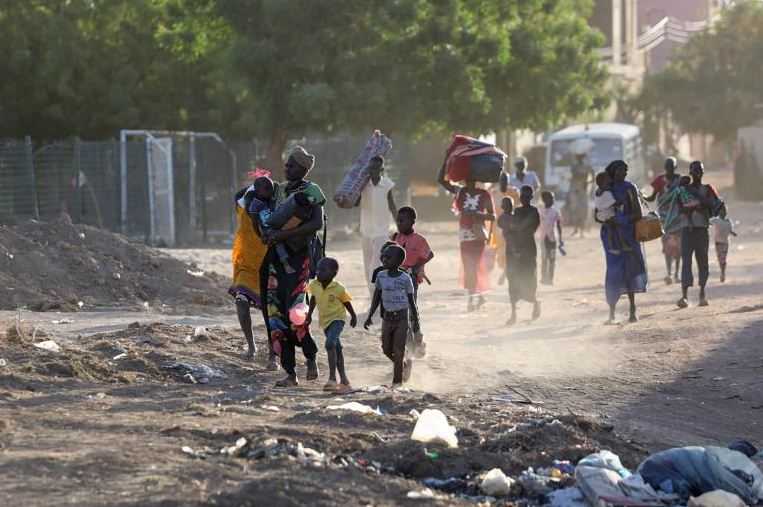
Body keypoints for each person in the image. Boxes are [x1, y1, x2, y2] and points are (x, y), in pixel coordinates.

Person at [263, 146, 326, 387]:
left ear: (303, 168)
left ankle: (310, 358)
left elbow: (316, 223)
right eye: (287, 165)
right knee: (275, 313)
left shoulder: (312, 191)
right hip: (276, 259)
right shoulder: (279, 190)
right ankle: (290, 373)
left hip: (299, 258)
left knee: (296, 313)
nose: (286, 168)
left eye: (291, 165)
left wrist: (283, 234)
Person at [437, 164, 495, 312]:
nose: (468, 179)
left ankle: (474, 297)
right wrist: (446, 160)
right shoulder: (460, 192)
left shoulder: (484, 194)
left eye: (471, 175)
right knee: (469, 266)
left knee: (474, 265)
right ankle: (475, 296)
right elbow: (441, 181)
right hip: (465, 234)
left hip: (479, 233)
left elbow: (492, 215)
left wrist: (480, 215)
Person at [597, 160, 647, 324]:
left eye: (625, 170)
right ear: (613, 171)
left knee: (630, 271)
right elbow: (596, 214)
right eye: (620, 170)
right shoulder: (605, 189)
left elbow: (638, 214)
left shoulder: (629, 188)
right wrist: (608, 220)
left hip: (628, 235)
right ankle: (611, 312)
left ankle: (633, 309)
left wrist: (622, 220)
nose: (623, 173)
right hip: (611, 237)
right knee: (613, 272)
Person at [364, 245, 420, 386]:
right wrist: (370, 315)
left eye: (388, 257)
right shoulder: (381, 276)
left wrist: (416, 321)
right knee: (386, 348)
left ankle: (397, 383)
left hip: (402, 318)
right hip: (387, 318)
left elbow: (411, 301)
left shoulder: (405, 278)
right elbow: (377, 297)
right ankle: (402, 364)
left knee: (398, 349)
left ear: (399, 260)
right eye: (383, 256)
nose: (384, 259)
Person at [229, 176, 270, 363]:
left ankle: (273, 351)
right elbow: (240, 195)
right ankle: (251, 345)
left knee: (270, 312)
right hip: (246, 265)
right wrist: (253, 190)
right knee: (241, 302)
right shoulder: (243, 206)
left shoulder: (271, 211)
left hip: (268, 265)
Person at [306, 257, 357, 393]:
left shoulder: (338, 288)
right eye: (317, 269)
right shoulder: (314, 285)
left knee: (330, 344)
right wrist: (309, 315)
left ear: (333, 273)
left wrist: (353, 315)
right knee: (337, 348)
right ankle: (344, 380)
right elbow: (314, 298)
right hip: (325, 321)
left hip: (337, 319)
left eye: (323, 270)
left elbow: (346, 302)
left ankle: (332, 379)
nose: (318, 272)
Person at [677, 161, 722, 309]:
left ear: (703, 173)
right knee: (686, 262)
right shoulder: (683, 189)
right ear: (691, 172)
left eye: (699, 171)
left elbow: (715, 206)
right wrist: (691, 208)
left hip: (701, 229)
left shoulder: (708, 189)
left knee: (702, 262)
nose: (697, 173)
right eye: (695, 171)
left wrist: (700, 205)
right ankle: (684, 296)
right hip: (687, 229)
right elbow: (679, 208)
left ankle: (702, 293)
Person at [391, 206, 434, 357]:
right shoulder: (395, 238)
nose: (399, 223)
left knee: (411, 307)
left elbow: (430, 254)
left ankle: (417, 335)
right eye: (398, 220)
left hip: (411, 279)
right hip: (396, 279)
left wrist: (417, 266)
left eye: (402, 220)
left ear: (412, 221)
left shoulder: (419, 240)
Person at [247, 175, 310, 275]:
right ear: (258, 191)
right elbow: (255, 223)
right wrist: (260, 235)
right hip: (268, 228)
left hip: (279, 223)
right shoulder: (255, 205)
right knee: (277, 242)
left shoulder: (272, 199)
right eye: (267, 189)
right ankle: (285, 264)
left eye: (271, 188)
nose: (271, 191)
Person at [358, 156, 397, 298]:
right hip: (366, 230)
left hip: (382, 231)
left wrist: (400, 226)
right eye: (371, 168)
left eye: (376, 168)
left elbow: (392, 205)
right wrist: (359, 186)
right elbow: (355, 202)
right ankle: (372, 294)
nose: (373, 171)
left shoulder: (387, 185)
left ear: (381, 169)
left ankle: (377, 293)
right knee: (367, 263)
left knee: (376, 263)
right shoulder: (363, 185)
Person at [503, 186, 541, 325]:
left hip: (528, 249)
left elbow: (530, 228)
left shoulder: (534, 211)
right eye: (523, 196)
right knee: (513, 280)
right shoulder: (516, 212)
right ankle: (513, 313)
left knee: (529, 279)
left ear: (531, 197)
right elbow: (511, 229)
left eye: (527, 196)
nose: (524, 198)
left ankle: (535, 302)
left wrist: (517, 229)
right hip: (515, 250)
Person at [645, 157, 682, 284]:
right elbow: (652, 197)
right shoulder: (666, 180)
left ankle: (674, 273)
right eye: (668, 167)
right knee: (671, 246)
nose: (669, 170)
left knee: (674, 247)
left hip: (673, 218)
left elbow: (651, 198)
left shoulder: (676, 180)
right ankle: (672, 273)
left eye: (671, 167)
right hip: (669, 219)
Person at [593, 171, 628, 255]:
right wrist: (623, 201)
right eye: (608, 180)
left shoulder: (598, 191)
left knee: (611, 229)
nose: (610, 182)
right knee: (615, 227)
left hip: (601, 214)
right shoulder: (607, 193)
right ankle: (618, 245)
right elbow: (615, 203)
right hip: (606, 214)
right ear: (603, 183)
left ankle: (617, 246)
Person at [538, 190, 563, 285]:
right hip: (543, 238)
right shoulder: (540, 211)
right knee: (544, 258)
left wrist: (560, 238)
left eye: (553, 198)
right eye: (550, 198)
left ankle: (550, 279)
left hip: (552, 238)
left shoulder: (555, 211)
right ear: (544, 199)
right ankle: (544, 278)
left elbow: (559, 225)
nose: (552, 200)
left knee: (552, 259)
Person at [566, 153, 594, 237]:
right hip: (575, 190)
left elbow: (593, 177)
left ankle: (581, 230)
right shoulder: (574, 167)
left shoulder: (587, 167)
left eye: (581, 158)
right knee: (575, 210)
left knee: (583, 210)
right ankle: (576, 229)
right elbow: (573, 175)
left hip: (582, 190)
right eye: (579, 158)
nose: (580, 160)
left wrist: (588, 183)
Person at [709, 204, 736, 283]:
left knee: (723, 259)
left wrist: (733, 233)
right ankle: (722, 272)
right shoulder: (716, 220)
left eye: (724, 211)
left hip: (725, 242)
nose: (723, 213)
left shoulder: (728, 221)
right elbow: (708, 222)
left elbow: (730, 230)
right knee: (720, 258)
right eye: (721, 211)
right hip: (718, 242)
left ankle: (723, 273)